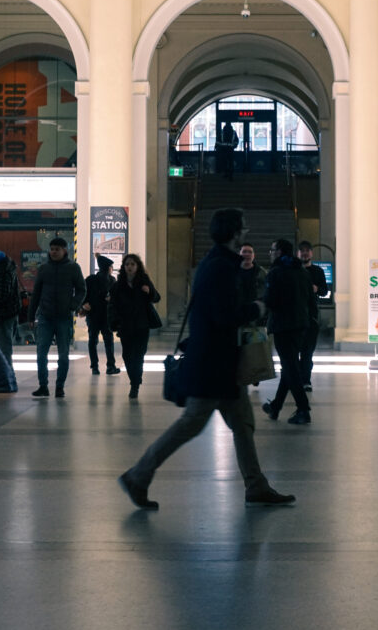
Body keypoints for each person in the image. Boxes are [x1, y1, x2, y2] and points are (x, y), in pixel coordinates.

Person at [118, 207, 295, 510]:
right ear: (234, 232)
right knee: (191, 424)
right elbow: (224, 315)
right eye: (243, 227)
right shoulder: (221, 268)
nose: (247, 232)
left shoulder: (217, 263)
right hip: (213, 365)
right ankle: (138, 474)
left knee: (243, 423)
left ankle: (256, 485)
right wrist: (257, 309)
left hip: (222, 363)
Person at [262, 238, 313, 425]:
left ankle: (303, 409)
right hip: (300, 325)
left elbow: (270, 300)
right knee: (289, 365)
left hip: (283, 326)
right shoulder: (302, 271)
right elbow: (310, 298)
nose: (270, 252)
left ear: (280, 252)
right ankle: (275, 407)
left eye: (273, 249)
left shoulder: (275, 273)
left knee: (290, 366)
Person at [28, 236, 86, 399]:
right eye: (52, 249)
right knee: (41, 353)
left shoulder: (73, 268)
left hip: (64, 318)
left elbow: (82, 289)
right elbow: (36, 293)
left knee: (63, 354)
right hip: (45, 317)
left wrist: (72, 305)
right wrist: (31, 315)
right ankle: (43, 386)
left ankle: (59, 387)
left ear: (64, 251)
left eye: (57, 249)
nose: (53, 252)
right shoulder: (44, 268)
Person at [108, 253, 160, 399]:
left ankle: (135, 385)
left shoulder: (144, 281)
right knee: (127, 355)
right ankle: (135, 379)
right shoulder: (118, 286)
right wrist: (114, 322)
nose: (129, 267)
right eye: (127, 264)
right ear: (123, 267)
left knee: (139, 355)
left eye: (132, 264)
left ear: (137, 267)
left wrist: (149, 292)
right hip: (125, 326)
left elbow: (157, 297)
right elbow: (112, 306)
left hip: (142, 325)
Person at [297, 240, 328, 391]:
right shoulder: (294, 270)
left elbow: (325, 291)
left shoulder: (318, 271)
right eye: (301, 250)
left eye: (307, 250)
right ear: (297, 253)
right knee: (293, 351)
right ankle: (294, 380)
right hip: (295, 316)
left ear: (311, 253)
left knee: (307, 352)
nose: (304, 253)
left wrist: (316, 288)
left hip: (311, 316)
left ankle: (306, 380)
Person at [82, 255, 120, 377]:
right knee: (109, 341)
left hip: (93, 315)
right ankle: (110, 366)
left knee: (92, 341)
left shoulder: (90, 279)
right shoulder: (112, 280)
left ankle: (94, 367)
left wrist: (83, 305)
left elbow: (82, 294)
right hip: (106, 316)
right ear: (108, 268)